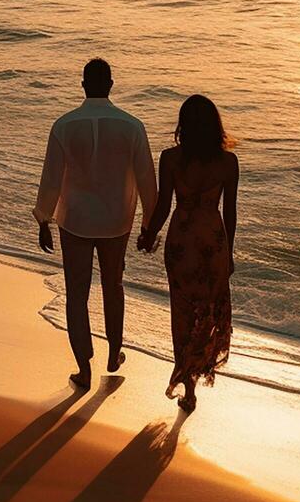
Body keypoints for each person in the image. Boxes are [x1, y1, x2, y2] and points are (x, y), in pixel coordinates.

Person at [34, 58, 157, 389]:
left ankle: (83, 367)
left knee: (77, 293)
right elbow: (147, 179)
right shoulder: (132, 126)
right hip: (117, 219)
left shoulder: (64, 125)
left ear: (83, 85)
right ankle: (114, 351)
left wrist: (43, 218)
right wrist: (150, 225)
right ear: (111, 85)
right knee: (113, 286)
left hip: (74, 218)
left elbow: (51, 179)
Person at [137, 95, 237, 413]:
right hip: (213, 243)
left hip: (181, 243)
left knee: (182, 313)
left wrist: (149, 234)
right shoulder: (227, 162)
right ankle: (199, 367)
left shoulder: (170, 159)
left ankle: (188, 384)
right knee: (209, 312)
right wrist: (229, 253)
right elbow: (231, 213)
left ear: (183, 125)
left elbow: (165, 205)